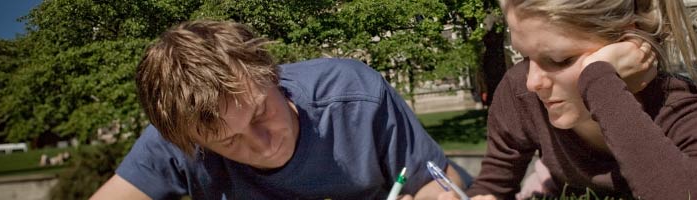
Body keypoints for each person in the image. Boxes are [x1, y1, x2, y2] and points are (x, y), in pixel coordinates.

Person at [90, 20, 465, 199]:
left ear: (272, 74)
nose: (264, 145)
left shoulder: (354, 96)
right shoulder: (181, 131)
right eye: (229, 142)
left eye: (259, 114)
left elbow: (438, 180)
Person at [464, 0, 697, 199]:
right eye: (525, 57)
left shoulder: (693, 114)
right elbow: (493, 185)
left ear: (628, 44)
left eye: (560, 59)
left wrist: (600, 80)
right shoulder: (520, 91)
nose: (532, 82)